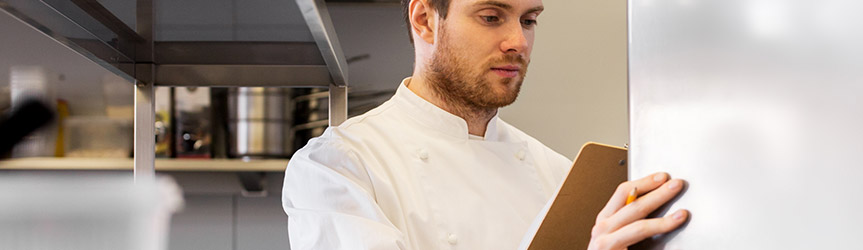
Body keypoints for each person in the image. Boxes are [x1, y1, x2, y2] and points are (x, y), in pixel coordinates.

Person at [282, 0, 689, 249]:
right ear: (424, 19)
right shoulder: (338, 166)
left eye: (529, 20)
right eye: (492, 16)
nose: (518, 41)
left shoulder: (561, 176)